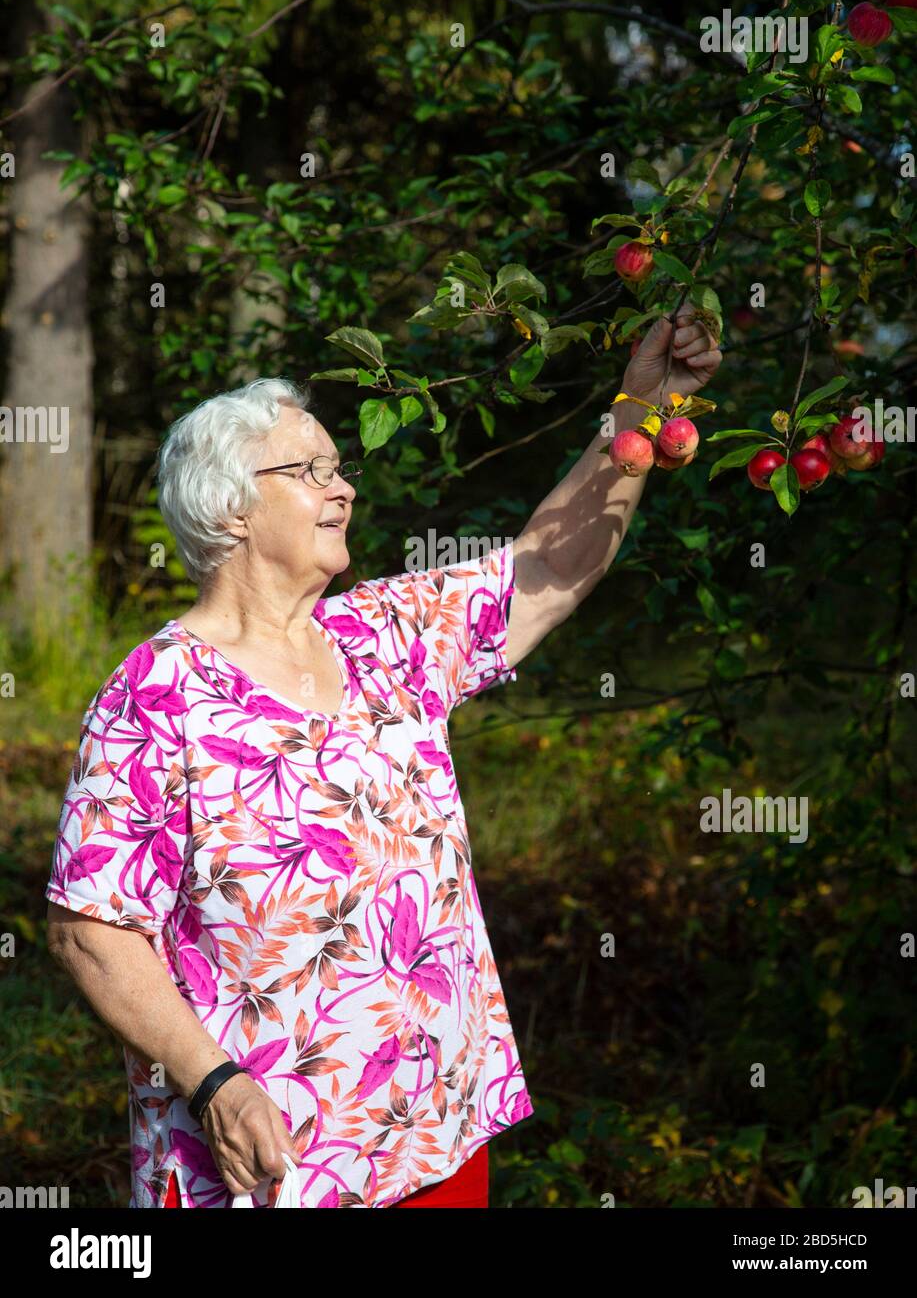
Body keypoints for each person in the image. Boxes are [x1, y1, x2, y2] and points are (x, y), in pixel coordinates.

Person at [44, 309, 721, 1208]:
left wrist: (642, 405)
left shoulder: (385, 637)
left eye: (340, 468)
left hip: (436, 1129)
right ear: (228, 508)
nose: (343, 488)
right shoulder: (156, 695)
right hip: (272, 1162)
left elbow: (547, 568)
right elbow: (92, 930)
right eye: (310, 469)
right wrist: (214, 1082)